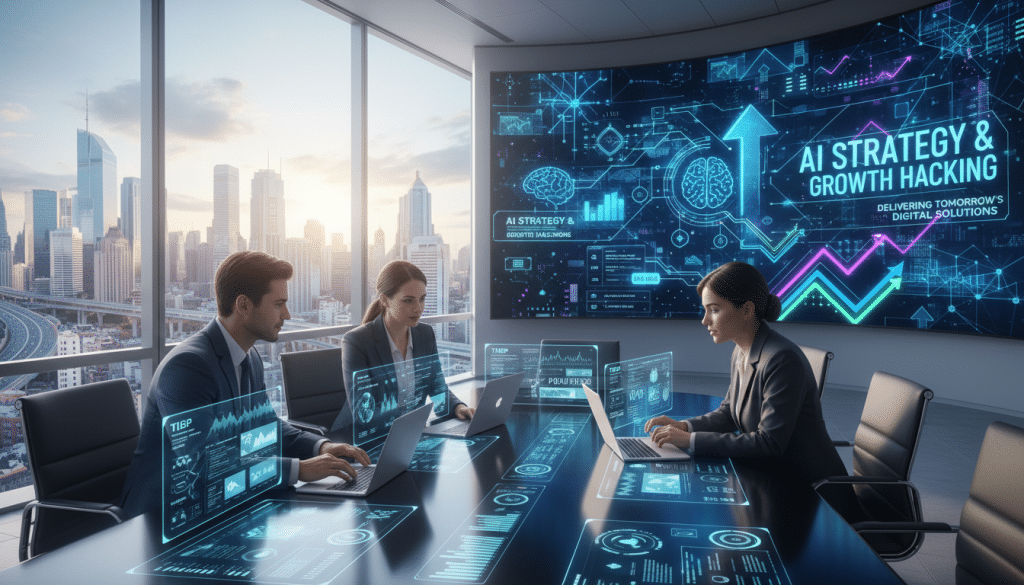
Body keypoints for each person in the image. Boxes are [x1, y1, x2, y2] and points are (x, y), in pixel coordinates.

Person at [120, 251, 370, 518]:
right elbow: (203, 462)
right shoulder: (188, 367)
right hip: (167, 516)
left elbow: (266, 426)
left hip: (224, 500)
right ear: (243, 305)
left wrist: (320, 447)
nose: (286, 314)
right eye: (279, 304)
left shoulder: (250, 357)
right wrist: (299, 469)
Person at [643, 261, 847, 486]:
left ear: (747, 310)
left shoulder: (782, 359)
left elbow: (768, 443)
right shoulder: (742, 350)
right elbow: (729, 413)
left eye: (714, 310)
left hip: (809, 489)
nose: (705, 320)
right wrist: (684, 427)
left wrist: (690, 440)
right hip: (770, 475)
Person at [342, 260, 474, 424]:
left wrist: (457, 407)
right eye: (408, 300)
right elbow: (364, 413)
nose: (418, 308)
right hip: (369, 437)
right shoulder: (357, 342)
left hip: (412, 432)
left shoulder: (425, 334)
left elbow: (437, 387)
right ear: (385, 300)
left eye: (422, 299)